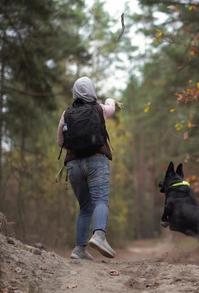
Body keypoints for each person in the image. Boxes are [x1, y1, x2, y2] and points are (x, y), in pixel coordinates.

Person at [56, 76, 123, 260]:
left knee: (85, 206)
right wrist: (110, 99)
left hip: (73, 165)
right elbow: (111, 107)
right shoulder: (100, 110)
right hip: (96, 161)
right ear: (92, 91)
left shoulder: (66, 114)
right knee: (100, 200)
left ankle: (79, 249)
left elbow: (60, 142)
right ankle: (99, 235)